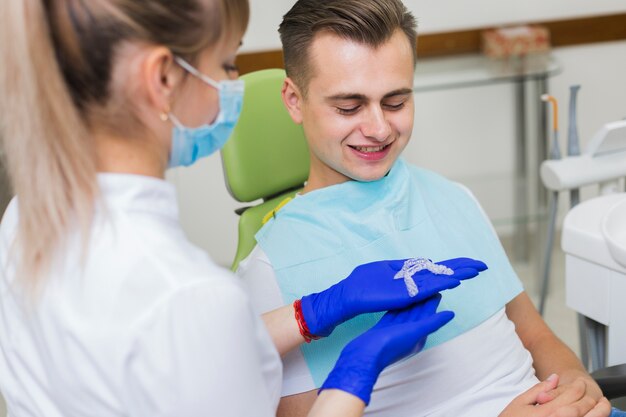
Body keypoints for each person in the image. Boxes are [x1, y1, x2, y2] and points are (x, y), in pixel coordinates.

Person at [0, 1, 489, 416]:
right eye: (227, 64)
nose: (234, 85)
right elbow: (189, 330)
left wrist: (316, 310)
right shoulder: (190, 294)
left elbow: (173, 354)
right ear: (163, 77)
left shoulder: (24, 220)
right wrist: (354, 373)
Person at [236, 0, 618, 416]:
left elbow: (536, 335)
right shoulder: (270, 269)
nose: (379, 128)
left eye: (396, 102)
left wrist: (579, 386)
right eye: (349, 107)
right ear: (294, 100)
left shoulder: (452, 197)